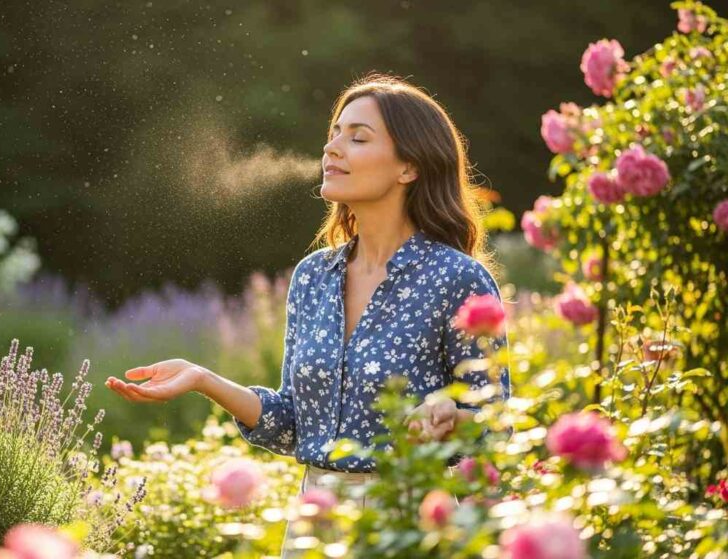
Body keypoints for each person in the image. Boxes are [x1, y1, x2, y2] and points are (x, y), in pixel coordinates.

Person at [105, 72, 511, 557]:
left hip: (411, 522)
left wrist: (449, 416)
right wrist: (202, 379)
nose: (332, 149)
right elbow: (293, 423)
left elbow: (495, 427)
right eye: (333, 135)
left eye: (357, 137)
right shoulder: (313, 277)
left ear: (409, 167)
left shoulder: (456, 279)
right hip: (313, 524)